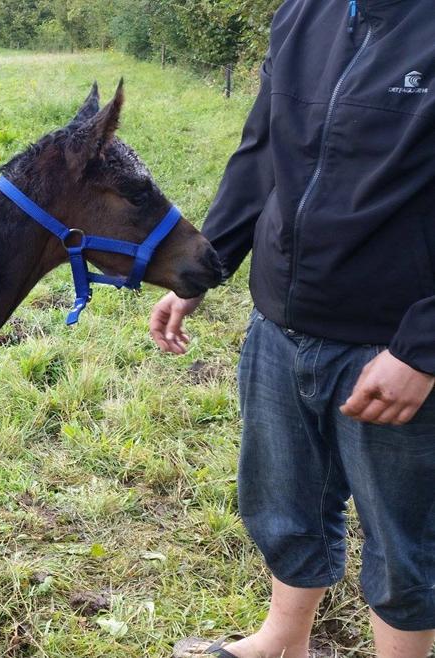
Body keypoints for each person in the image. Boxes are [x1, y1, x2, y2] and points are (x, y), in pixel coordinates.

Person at [154, 1, 435, 657]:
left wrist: (423, 348)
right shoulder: (304, 13)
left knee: (405, 539)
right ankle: (283, 642)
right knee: (285, 505)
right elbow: (259, 154)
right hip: (280, 322)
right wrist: (201, 271)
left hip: (393, 345)